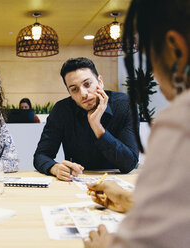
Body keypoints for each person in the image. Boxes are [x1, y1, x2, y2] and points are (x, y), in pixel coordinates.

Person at [84, 0, 190, 247]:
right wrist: (129, 198)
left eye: (150, 60)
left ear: (176, 50)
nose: (152, 74)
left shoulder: (180, 122)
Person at [34, 57, 139, 181]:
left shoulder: (124, 104)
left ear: (100, 81)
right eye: (74, 89)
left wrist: (97, 126)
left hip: (118, 182)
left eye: (87, 84)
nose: (83, 93)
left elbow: (129, 164)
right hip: (77, 181)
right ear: (70, 93)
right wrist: (54, 168)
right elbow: (41, 155)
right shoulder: (61, 110)